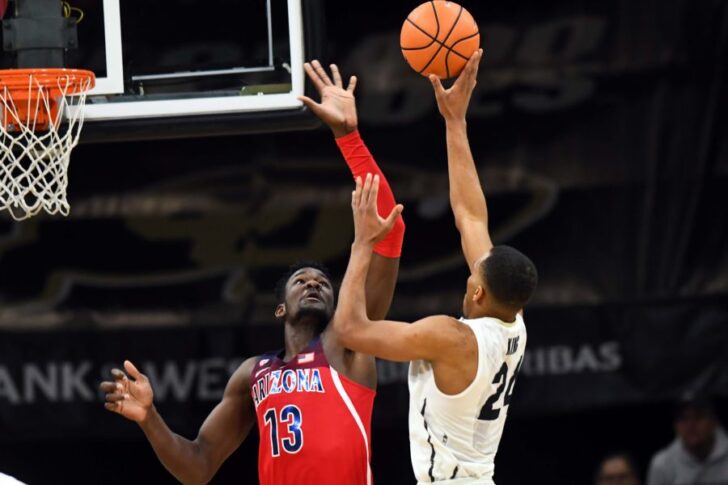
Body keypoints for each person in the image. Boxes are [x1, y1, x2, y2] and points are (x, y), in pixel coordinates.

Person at [99, 60, 405, 485]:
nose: (314, 283)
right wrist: (149, 417)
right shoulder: (253, 374)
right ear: (280, 309)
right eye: (302, 281)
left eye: (323, 283)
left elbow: (391, 230)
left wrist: (348, 137)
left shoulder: (349, 345)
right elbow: (198, 465)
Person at [333, 49, 538, 484]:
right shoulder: (512, 321)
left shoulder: (451, 337)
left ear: (478, 293)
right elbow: (470, 216)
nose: (468, 275)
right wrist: (455, 121)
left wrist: (363, 243)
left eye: (473, 276)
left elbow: (351, 330)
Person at [646, 394, 728, 485]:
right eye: (683, 418)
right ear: (675, 426)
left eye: (698, 417)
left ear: (714, 422)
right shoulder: (662, 464)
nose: (690, 425)